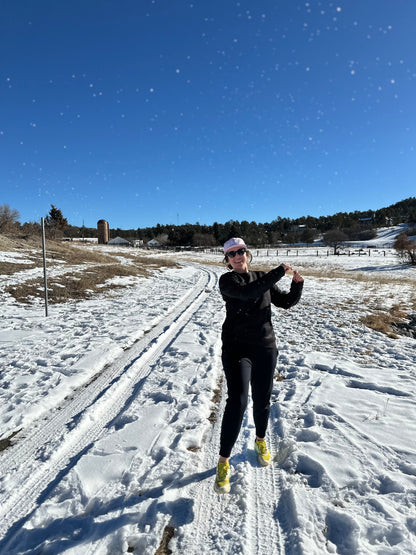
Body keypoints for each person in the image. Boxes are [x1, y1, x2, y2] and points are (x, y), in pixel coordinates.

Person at [214, 237, 304, 494]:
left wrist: (297, 286)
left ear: (247, 253)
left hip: (264, 346)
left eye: (241, 251)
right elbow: (247, 293)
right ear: (227, 260)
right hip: (236, 348)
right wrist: (278, 272)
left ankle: (261, 440)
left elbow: (285, 302)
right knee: (239, 400)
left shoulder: (262, 277)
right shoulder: (227, 281)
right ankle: (223, 461)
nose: (238, 256)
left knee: (263, 399)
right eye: (232, 254)